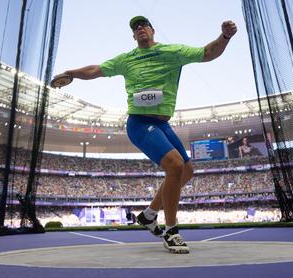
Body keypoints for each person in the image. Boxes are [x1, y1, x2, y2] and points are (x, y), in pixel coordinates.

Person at [52, 16, 237, 254]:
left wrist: (225, 37)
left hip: (162, 124)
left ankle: (149, 215)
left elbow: (208, 53)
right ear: (133, 35)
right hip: (139, 123)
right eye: (134, 27)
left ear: (152, 30)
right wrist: (71, 73)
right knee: (175, 164)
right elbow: (96, 70)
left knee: (187, 171)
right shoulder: (127, 59)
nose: (139, 28)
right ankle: (171, 231)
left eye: (143, 25)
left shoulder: (173, 52)